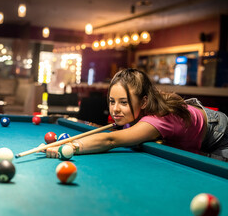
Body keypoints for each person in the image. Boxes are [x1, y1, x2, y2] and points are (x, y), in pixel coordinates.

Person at [45, 68, 228, 161]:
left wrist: (72, 146)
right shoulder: (141, 112)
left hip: (219, 135)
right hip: (196, 122)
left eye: (123, 102)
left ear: (144, 101)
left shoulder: (156, 120)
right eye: (112, 101)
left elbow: (111, 140)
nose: (115, 109)